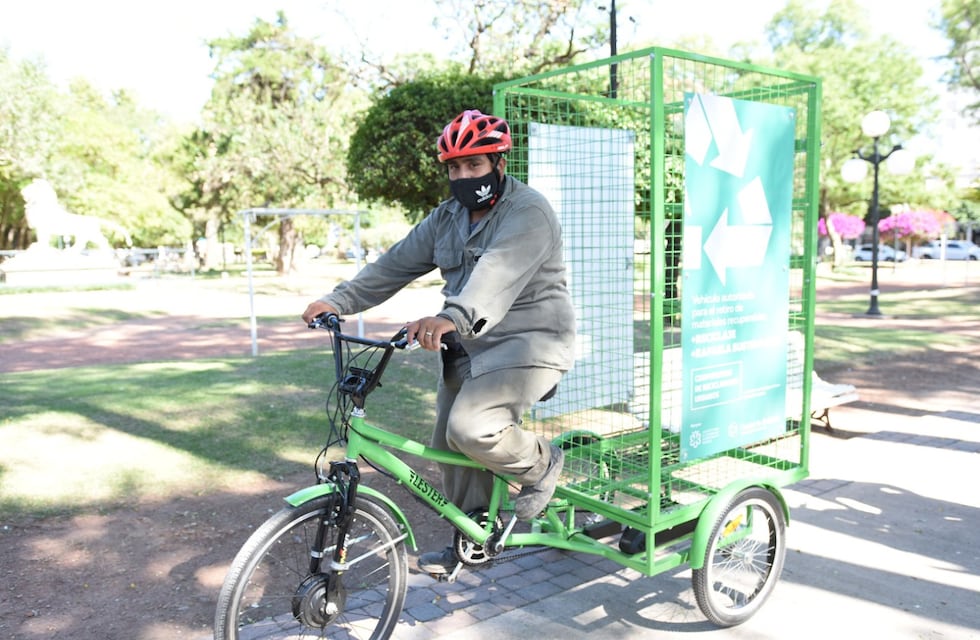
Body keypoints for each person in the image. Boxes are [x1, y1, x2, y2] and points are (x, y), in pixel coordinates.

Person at [301, 109, 576, 575]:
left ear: (498, 164)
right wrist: (337, 300)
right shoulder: (447, 218)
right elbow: (394, 264)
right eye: (454, 168)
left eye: (475, 165)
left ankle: (542, 465)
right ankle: (474, 535)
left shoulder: (528, 212)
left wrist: (449, 316)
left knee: (472, 429)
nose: (464, 176)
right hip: (468, 346)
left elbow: (495, 277)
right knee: (449, 449)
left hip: (530, 342)